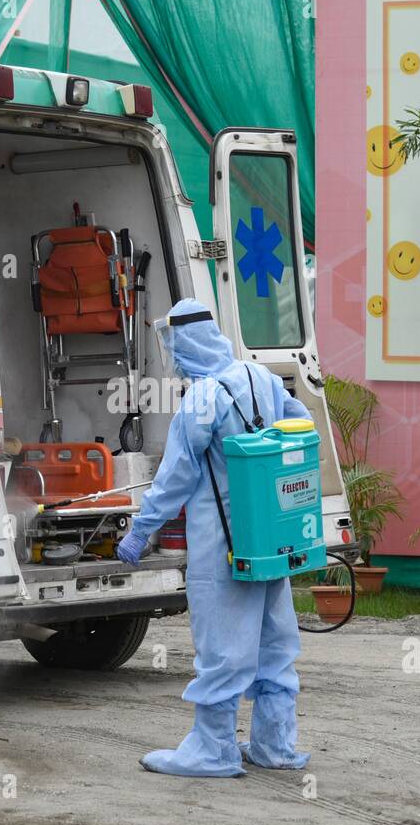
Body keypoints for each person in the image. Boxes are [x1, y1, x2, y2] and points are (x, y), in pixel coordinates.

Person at [115, 298, 313, 776]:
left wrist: (141, 530)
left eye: (175, 349)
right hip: (269, 539)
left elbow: (176, 476)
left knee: (222, 646)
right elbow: (299, 426)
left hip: (221, 547)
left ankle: (212, 750)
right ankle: (275, 744)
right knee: (273, 643)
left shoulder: (203, 397)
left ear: (187, 344)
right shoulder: (261, 378)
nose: (176, 360)